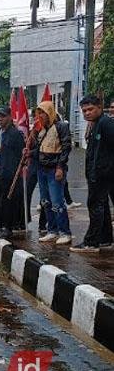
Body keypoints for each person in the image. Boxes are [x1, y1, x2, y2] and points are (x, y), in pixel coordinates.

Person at [70, 95, 114, 253]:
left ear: (99, 108)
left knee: (95, 206)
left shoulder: (106, 124)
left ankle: (91, 242)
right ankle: (105, 239)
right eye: (84, 111)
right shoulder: (95, 124)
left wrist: (105, 168)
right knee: (101, 207)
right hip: (97, 174)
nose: (87, 113)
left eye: (90, 109)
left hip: (103, 174)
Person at [32, 101, 73, 245]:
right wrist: (29, 153)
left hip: (54, 169)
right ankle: (52, 230)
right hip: (42, 169)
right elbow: (39, 150)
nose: (40, 115)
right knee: (46, 202)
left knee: (57, 201)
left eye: (43, 112)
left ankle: (65, 232)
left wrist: (60, 167)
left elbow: (66, 147)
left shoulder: (61, 127)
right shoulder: (42, 130)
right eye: (39, 113)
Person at [0, 106, 25, 240]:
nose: (0, 119)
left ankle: (7, 227)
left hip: (9, 171)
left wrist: (17, 171)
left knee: (7, 200)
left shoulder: (15, 134)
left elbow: (21, 155)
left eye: (3, 116)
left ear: (9, 117)